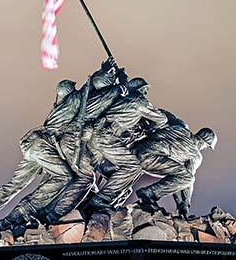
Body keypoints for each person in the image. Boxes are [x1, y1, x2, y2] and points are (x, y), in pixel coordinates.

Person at [0, 60, 116, 235]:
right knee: (64, 176)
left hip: (34, 146)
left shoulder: (59, 106)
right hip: (41, 145)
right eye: (73, 90)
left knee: (14, 185)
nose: (75, 91)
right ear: (69, 93)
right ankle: (26, 210)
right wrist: (107, 74)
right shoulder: (70, 104)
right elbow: (89, 89)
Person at [45, 77, 168, 223]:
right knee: (133, 167)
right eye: (145, 89)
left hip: (95, 138)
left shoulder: (121, 101)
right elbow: (161, 120)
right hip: (105, 138)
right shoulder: (139, 102)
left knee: (101, 178)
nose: (146, 93)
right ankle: (99, 201)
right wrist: (150, 127)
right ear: (140, 89)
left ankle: (84, 210)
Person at [131, 112, 217, 218]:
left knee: (181, 174)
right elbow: (185, 180)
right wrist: (185, 203)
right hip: (148, 158)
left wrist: (178, 202)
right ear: (203, 142)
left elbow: (174, 180)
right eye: (206, 146)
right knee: (188, 178)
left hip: (135, 149)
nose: (204, 149)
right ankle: (148, 193)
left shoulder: (180, 128)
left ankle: (149, 195)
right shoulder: (195, 155)